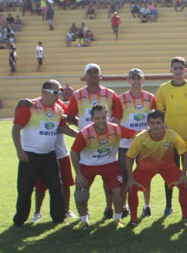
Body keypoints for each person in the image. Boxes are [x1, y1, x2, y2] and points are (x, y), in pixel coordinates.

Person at [12, 80, 78, 227]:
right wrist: (20, 151)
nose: (58, 95)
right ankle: (19, 221)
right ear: (44, 92)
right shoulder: (30, 106)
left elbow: (62, 127)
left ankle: (59, 218)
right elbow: (16, 128)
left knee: (56, 187)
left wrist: (80, 136)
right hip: (30, 156)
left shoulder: (59, 108)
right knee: (25, 189)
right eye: (55, 92)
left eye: (60, 92)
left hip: (49, 155)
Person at [66, 63, 124, 218]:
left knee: (109, 178)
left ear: (101, 76)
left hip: (106, 142)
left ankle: (109, 208)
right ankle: (84, 214)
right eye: (89, 72)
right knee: (83, 186)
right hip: (87, 144)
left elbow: (118, 114)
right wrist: (82, 129)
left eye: (95, 72)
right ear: (85, 76)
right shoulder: (77, 95)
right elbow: (69, 115)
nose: (92, 75)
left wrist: (111, 131)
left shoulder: (110, 94)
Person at [70, 104, 136, 227]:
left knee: (118, 191)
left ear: (108, 117)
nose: (101, 121)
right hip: (87, 165)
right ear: (92, 119)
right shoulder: (85, 133)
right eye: (97, 118)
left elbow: (135, 135)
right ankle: (84, 221)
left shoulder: (116, 129)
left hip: (109, 163)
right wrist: (78, 174)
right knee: (81, 194)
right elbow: (74, 153)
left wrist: (149, 134)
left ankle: (117, 219)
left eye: (103, 117)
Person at [156, 57, 187, 216]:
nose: (178, 71)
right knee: (170, 172)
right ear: (170, 70)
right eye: (175, 68)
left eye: (180, 68)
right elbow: (160, 113)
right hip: (170, 139)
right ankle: (169, 206)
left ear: (185, 70)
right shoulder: (163, 89)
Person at [124, 110, 187, 225]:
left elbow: (185, 152)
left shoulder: (172, 135)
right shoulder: (140, 138)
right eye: (152, 123)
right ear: (148, 124)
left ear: (163, 123)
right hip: (146, 167)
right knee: (132, 187)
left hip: (167, 166)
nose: (155, 126)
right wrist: (130, 178)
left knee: (183, 185)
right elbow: (128, 157)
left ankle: (185, 217)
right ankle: (133, 220)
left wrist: (183, 174)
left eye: (158, 123)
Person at [118, 68, 156, 218]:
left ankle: (147, 206)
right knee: (125, 177)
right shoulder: (120, 99)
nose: (136, 81)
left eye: (138, 78)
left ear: (143, 80)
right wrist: (133, 134)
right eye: (133, 78)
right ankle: (125, 206)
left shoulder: (150, 97)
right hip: (125, 144)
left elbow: (155, 120)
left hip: (145, 144)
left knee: (145, 176)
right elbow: (116, 123)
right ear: (128, 80)